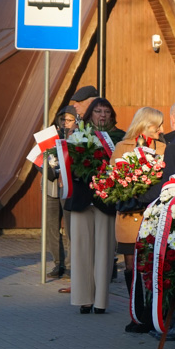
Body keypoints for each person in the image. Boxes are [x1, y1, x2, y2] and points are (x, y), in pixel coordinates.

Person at [110, 107, 166, 331]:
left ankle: (152, 315)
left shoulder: (163, 148)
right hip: (128, 217)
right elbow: (113, 180)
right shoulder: (122, 148)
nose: (162, 130)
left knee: (151, 266)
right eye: (157, 126)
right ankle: (137, 315)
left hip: (151, 217)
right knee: (132, 266)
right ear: (144, 125)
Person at [66, 98, 124, 314]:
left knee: (104, 251)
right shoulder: (76, 135)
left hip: (105, 200)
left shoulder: (119, 138)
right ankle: (83, 299)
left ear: (111, 115)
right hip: (81, 199)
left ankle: (100, 301)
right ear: (90, 114)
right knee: (81, 251)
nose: (102, 115)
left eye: (106, 112)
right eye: (98, 111)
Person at [43, 106, 77, 279]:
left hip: (69, 188)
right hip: (51, 188)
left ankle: (71, 265)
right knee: (51, 228)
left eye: (69, 120)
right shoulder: (49, 137)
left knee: (71, 229)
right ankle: (58, 263)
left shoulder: (78, 137)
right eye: (62, 119)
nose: (65, 123)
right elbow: (39, 159)